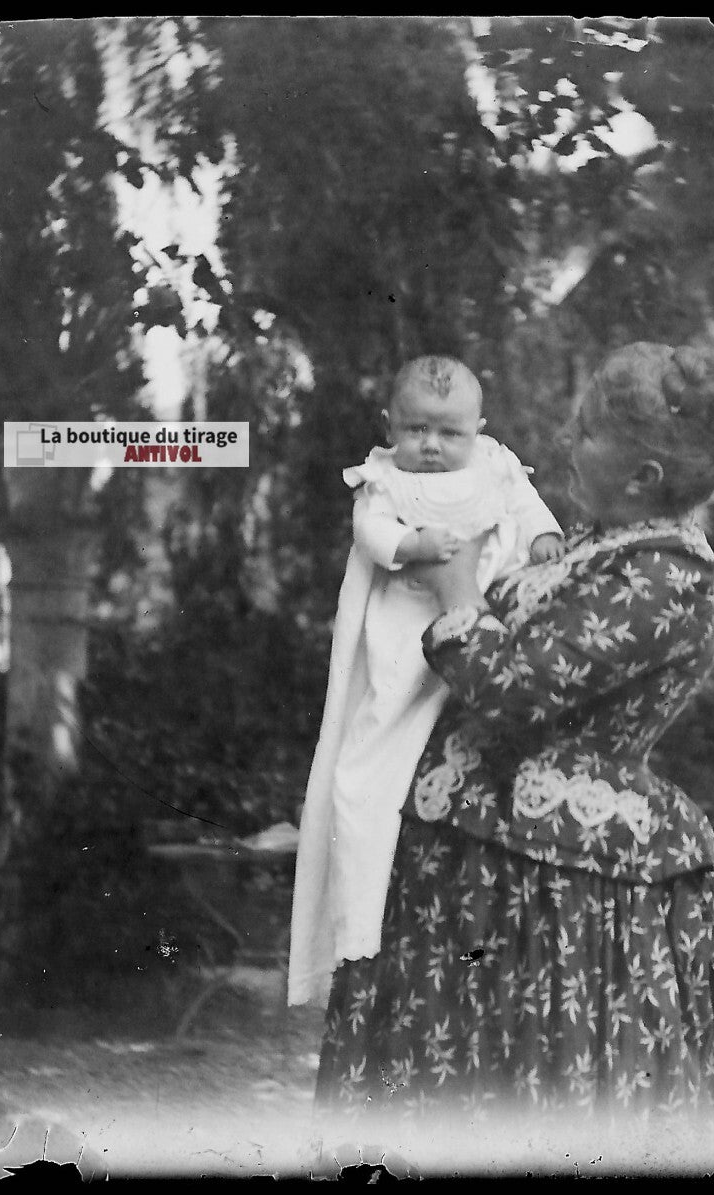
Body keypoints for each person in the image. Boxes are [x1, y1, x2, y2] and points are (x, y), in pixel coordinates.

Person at [310, 341, 714, 1132]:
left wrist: (457, 597)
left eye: (587, 432)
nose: (565, 441)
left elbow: (517, 686)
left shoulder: (667, 576)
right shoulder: (593, 545)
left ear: (644, 477)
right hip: (478, 854)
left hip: (558, 879)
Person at [288, 356, 565, 1008]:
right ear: (390, 425)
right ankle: (358, 916)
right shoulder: (385, 475)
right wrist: (410, 545)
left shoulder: (495, 462)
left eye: (449, 433)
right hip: (405, 618)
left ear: (478, 429)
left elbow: (525, 503)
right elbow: (370, 528)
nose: (432, 447)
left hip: (482, 608)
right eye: (416, 430)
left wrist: (545, 534)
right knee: (373, 745)